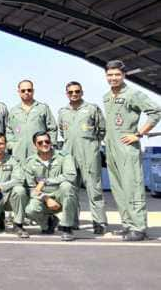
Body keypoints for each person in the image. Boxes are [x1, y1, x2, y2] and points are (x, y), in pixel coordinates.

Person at [103, 60, 161, 241]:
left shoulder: (133, 94)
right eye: (110, 75)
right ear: (106, 76)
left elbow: (156, 111)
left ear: (123, 75)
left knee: (133, 187)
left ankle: (139, 227)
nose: (113, 78)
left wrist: (139, 134)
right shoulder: (107, 96)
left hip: (127, 147)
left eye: (117, 75)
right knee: (119, 189)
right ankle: (127, 225)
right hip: (111, 147)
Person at [57, 81, 107, 234]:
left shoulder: (92, 109)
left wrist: (91, 145)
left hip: (89, 154)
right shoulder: (62, 111)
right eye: (70, 92)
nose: (74, 94)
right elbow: (62, 132)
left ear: (82, 92)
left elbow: (102, 130)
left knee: (94, 188)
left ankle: (99, 222)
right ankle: (72, 221)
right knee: (70, 189)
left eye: (77, 91)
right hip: (69, 156)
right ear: (67, 94)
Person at [23, 131, 77, 242]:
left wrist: (45, 181)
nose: (44, 144)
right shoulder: (30, 162)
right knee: (29, 210)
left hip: (60, 195)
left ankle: (67, 228)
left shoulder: (64, 156)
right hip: (42, 197)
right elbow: (31, 188)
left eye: (47, 141)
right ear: (35, 145)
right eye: (40, 142)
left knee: (67, 186)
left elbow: (71, 176)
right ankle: (48, 222)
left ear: (51, 142)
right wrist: (46, 198)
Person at [6, 80, 57, 162]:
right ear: (18, 92)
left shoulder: (42, 108)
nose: (26, 92)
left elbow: (52, 128)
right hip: (19, 154)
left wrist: (50, 145)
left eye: (29, 90)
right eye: (23, 91)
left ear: (33, 91)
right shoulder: (13, 111)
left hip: (39, 153)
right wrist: (13, 145)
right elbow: (9, 130)